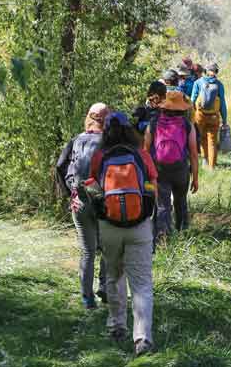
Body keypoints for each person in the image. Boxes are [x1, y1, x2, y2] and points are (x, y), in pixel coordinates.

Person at [90, 112, 158, 356]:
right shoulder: (141, 155)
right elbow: (153, 186)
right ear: (129, 130)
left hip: (109, 226)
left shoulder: (100, 157)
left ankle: (116, 325)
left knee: (113, 275)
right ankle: (142, 339)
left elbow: (93, 187)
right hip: (139, 226)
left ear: (106, 131)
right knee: (141, 284)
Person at [65, 103, 114, 310]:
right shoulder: (110, 142)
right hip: (103, 201)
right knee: (107, 249)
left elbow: (62, 168)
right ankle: (104, 288)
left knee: (87, 251)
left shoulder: (76, 140)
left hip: (81, 202)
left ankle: (87, 299)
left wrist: (72, 193)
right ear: (107, 119)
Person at [144, 91, 199, 236]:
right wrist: (196, 178)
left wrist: (147, 174)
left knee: (163, 204)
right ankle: (183, 231)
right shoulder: (187, 125)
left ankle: (163, 235)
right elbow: (193, 153)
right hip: (181, 170)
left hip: (159, 170)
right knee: (181, 202)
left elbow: (145, 150)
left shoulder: (154, 123)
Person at [191, 62, 227, 169]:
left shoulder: (198, 82)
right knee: (212, 141)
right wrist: (224, 119)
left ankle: (205, 160)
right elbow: (223, 104)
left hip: (200, 115)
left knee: (202, 138)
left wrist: (192, 115)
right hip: (214, 116)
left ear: (205, 71)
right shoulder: (219, 84)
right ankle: (212, 166)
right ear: (216, 71)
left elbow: (192, 99)